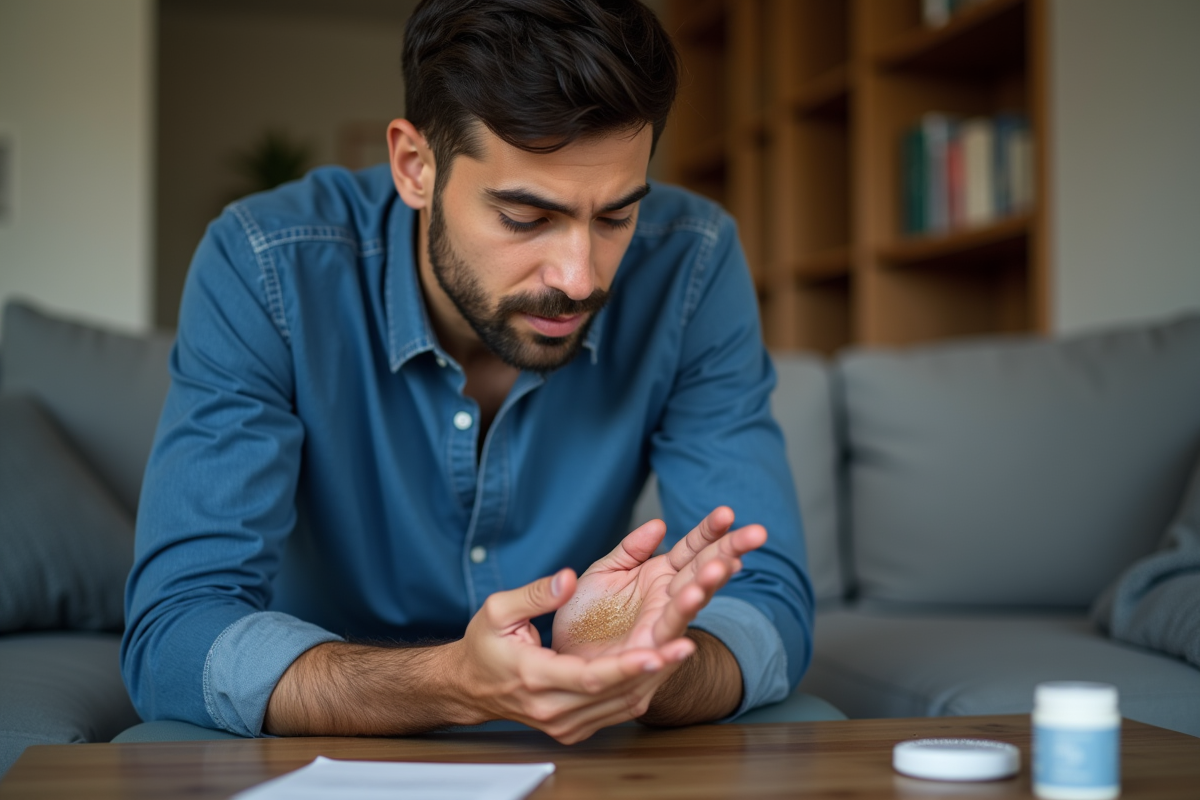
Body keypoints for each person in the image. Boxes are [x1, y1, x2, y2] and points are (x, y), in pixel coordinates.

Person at [122, 0, 813, 745]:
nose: (579, 279)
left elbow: (767, 596)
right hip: (333, 721)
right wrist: (454, 682)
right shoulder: (265, 264)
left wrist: (649, 668)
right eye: (525, 217)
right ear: (416, 167)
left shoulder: (694, 263)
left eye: (615, 217)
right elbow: (177, 627)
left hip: (585, 729)